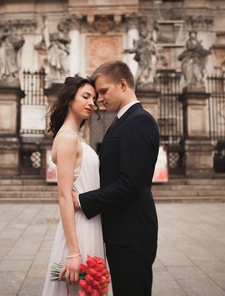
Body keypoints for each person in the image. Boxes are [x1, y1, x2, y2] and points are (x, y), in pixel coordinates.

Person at [75, 60, 160, 296]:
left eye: (103, 91)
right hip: (122, 232)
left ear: (123, 84)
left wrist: (82, 200)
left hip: (132, 235)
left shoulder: (138, 121)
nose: (99, 99)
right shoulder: (124, 120)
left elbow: (129, 184)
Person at [42, 76, 104, 295]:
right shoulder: (68, 138)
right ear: (70, 99)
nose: (92, 103)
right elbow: (64, 196)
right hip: (81, 228)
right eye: (85, 96)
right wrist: (74, 252)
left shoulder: (75, 136)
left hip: (91, 220)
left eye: (94, 99)